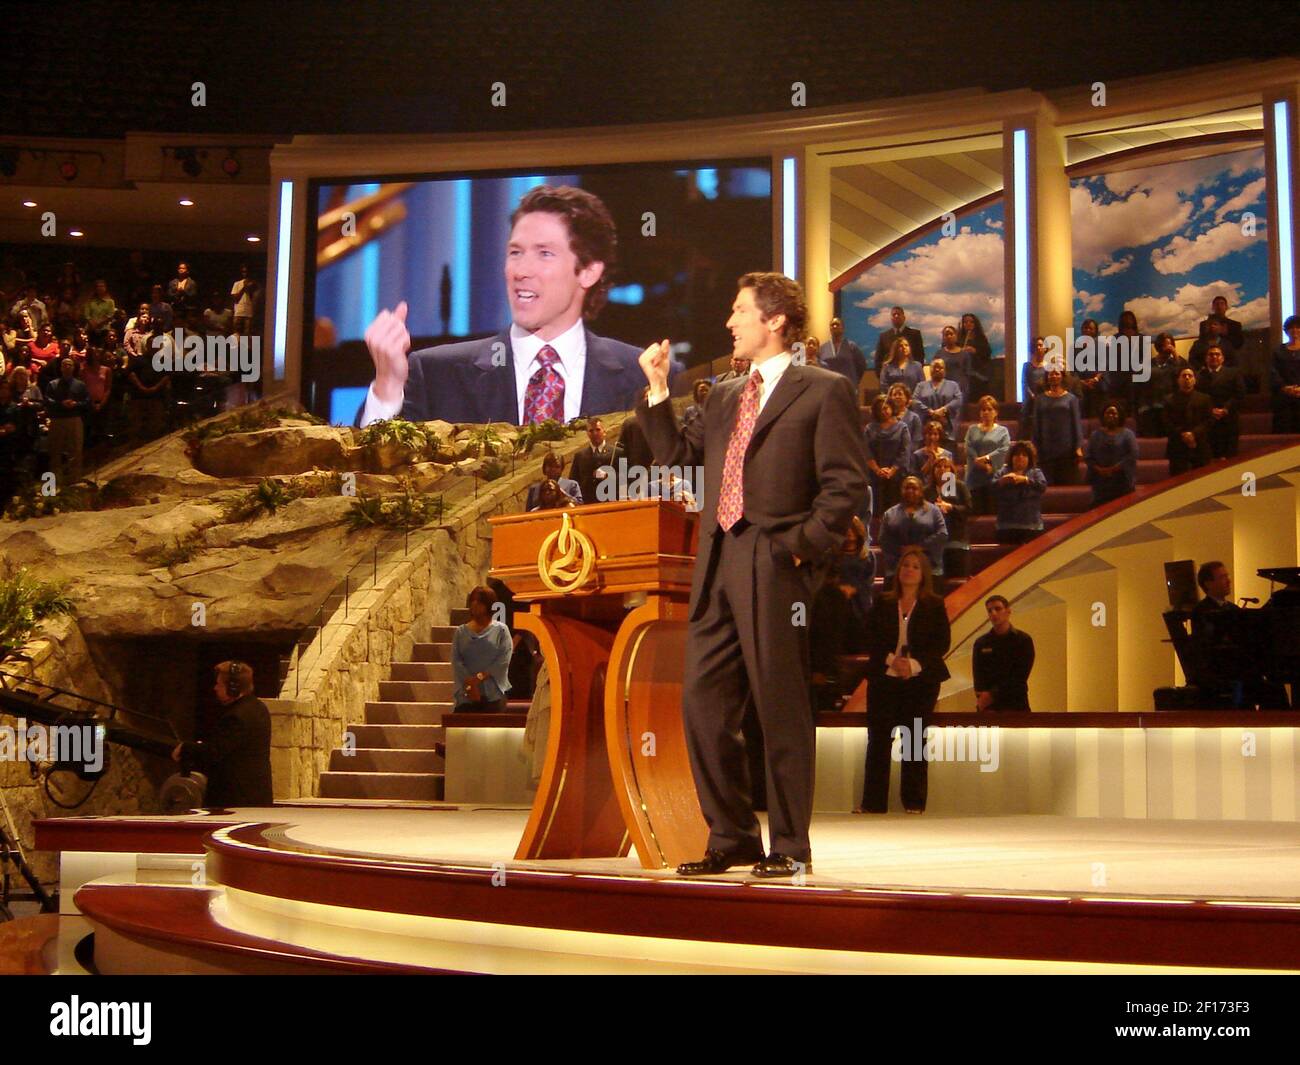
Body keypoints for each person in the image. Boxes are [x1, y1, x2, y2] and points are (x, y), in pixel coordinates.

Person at [635, 270, 868, 878]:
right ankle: (732, 835)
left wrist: (796, 548)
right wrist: (658, 390)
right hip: (716, 561)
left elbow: (846, 484)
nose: (729, 322)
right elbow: (678, 458)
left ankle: (790, 844)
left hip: (773, 562)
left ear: (775, 322)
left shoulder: (823, 390)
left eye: (740, 311)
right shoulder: (723, 395)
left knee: (780, 706)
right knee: (703, 705)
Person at [359, 185, 649, 427]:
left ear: (588, 271)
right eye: (515, 252)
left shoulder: (644, 377)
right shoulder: (436, 375)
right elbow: (370, 482)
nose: (521, 270)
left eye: (544, 253)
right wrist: (387, 388)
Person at [859, 546, 951, 814]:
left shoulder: (934, 604)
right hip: (884, 677)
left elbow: (941, 643)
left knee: (913, 740)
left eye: (914, 566)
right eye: (905, 565)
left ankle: (914, 802)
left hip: (921, 680)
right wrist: (892, 661)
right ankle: (873, 803)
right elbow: (871, 637)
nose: (908, 570)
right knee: (878, 739)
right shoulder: (884, 601)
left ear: (923, 574)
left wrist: (912, 664)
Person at [170, 662, 273, 807]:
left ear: (233, 688)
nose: (215, 688)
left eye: (219, 684)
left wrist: (185, 748)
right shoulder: (258, 707)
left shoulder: (236, 716)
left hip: (236, 801)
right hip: (255, 796)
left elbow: (215, 752)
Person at [451, 586, 514, 713]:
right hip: (467, 693)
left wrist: (478, 679)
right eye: (472, 601)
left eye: (479, 602)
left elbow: (503, 659)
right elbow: (456, 660)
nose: (474, 605)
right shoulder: (460, 632)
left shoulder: (501, 630)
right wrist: (470, 683)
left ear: (488, 604)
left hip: (493, 694)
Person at [972, 596, 1035, 711]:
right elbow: (978, 678)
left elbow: (1020, 677)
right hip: (989, 707)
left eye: (998, 608)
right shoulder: (981, 643)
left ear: (1008, 611)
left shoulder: (1023, 640)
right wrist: (982, 698)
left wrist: (992, 694)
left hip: (1016, 704)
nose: (994, 613)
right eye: (990, 610)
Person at [880, 475, 947, 577]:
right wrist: (903, 551)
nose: (910, 491)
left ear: (921, 492)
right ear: (901, 490)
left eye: (914, 488)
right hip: (897, 567)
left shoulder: (934, 511)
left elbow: (942, 534)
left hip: (929, 567)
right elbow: (883, 539)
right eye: (907, 488)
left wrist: (920, 547)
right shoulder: (890, 514)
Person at [1031, 366, 1084, 485]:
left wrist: (1078, 446)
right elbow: (1036, 424)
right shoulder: (1040, 399)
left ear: (1062, 376)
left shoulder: (1071, 399)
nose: (1053, 376)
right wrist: (1034, 445)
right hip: (1045, 449)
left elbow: (1076, 423)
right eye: (1050, 374)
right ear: (1047, 377)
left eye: (1057, 374)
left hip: (1066, 448)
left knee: (1066, 484)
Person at [925, 454, 971, 578]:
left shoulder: (959, 486)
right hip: (934, 542)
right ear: (933, 470)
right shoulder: (927, 491)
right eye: (938, 466)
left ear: (951, 470)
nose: (942, 469)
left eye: (946, 467)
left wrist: (951, 507)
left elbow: (969, 509)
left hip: (956, 540)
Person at [865, 393, 911, 515]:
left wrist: (892, 470)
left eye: (885, 408)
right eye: (879, 409)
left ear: (891, 407)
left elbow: (904, 451)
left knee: (895, 512)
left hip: (896, 475)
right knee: (876, 512)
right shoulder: (870, 428)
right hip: (875, 475)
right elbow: (865, 451)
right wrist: (877, 470)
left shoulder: (902, 427)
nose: (883, 412)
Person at [44, 357, 89, 485]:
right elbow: (48, 400)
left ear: (74, 367)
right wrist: (61, 403)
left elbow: (86, 401)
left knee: (75, 450)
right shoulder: (53, 384)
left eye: (70, 365)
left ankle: (74, 480)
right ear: (61, 368)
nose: (67, 367)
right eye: (65, 365)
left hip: (74, 419)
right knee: (55, 451)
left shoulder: (80, 385)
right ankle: (56, 482)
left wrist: (76, 404)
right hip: (57, 419)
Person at [963, 394, 1010, 514]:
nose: (986, 412)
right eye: (983, 409)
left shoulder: (1003, 431)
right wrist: (980, 463)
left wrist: (987, 458)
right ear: (979, 412)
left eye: (990, 409)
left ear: (996, 412)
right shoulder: (972, 429)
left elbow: (1003, 449)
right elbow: (968, 448)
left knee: (993, 513)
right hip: (974, 476)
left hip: (994, 476)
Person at [993, 440, 1047, 544]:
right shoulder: (1002, 472)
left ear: (1029, 458)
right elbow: (992, 489)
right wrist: (1002, 482)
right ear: (1011, 457)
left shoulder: (1036, 472)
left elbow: (1042, 487)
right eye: (1017, 454)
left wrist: (1026, 480)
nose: (1020, 457)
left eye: (1024, 455)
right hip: (1006, 525)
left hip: (1031, 526)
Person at [1085, 401, 1138, 505]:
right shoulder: (1095, 435)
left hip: (1122, 481)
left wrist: (1113, 469)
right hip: (1100, 482)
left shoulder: (1127, 434)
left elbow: (1132, 455)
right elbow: (1088, 457)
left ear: (1120, 416)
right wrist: (1099, 469)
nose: (1110, 416)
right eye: (1108, 413)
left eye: (1114, 413)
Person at [1197, 344, 1244, 459]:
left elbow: (1239, 394)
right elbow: (1197, 397)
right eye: (1211, 354)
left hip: (1229, 420)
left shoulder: (1233, 373)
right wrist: (1211, 410)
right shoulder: (1198, 376)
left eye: (1217, 354)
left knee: (1229, 459)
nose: (1214, 357)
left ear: (1222, 358)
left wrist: (1225, 409)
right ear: (1206, 358)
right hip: (1207, 421)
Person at [1136, 332, 1187, 437]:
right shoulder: (1147, 364)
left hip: (1170, 408)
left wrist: (1175, 355)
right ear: (1158, 346)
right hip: (1150, 408)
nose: (1168, 347)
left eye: (1170, 344)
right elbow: (1138, 387)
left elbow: (1183, 376)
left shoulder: (1177, 362)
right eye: (1165, 344)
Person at [1164, 366, 1213, 476]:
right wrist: (1184, 435)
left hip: (1199, 444)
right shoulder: (1169, 400)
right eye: (1184, 376)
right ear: (1178, 380)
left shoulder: (1205, 399)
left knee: (1201, 480)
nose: (1187, 378)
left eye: (1190, 376)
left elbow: (1209, 421)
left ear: (1195, 380)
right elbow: (1167, 422)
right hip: (1177, 445)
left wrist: (1193, 434)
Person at [569, 415, 623, 506]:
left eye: (598, 430)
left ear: (604, 432)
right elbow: (574, 481)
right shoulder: (580, 456)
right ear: (587, 433)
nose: (594, 433)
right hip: (589, 503)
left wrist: (608, 476)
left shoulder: (617, 452)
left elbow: (626, 477)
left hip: (612, 501)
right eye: (591, 431)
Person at [912, 355, 963, 436]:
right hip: (925, 425)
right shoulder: (921, 385)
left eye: (940, 367)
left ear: (945, 370)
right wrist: (929, 411)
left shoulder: (953, 385)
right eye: (934, 367)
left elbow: (958, 400)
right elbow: (915, 400)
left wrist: (943, 409)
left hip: (947, 425)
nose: (937, 369)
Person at [873, 306, 925, 371]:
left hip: (911, 377)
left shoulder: (915, 335)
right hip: (890, 377)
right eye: (894, 315)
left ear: (904, 317)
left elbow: (920, 357)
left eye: (898, 314)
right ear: (891, 318)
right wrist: (882, 377)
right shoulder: (884, 336)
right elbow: (878, 359)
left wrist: (915, 374)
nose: (896, 316)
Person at [820, 316, 866, 389]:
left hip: (848, 387)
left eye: (837, 324)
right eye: (832, 325)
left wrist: (854, 380)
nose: (834, 326)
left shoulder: (852, 347)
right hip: (829, 388)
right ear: (830, 328)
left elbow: (861, 366)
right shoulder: (823, 348)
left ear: (843, 328)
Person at [1074, 318, 1107, 417]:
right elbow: (1073, 370)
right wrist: (1081, 382)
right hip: (1081, 387)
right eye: (1085, 328)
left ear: (1095, 331)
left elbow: (1105, 366)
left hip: (1098, 385)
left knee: (1097, 416)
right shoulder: (1075, 348)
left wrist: (1096, 379)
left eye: (1090, 328)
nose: (1087, 330)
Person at [1273, 314, 1300, 434]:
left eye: (1298, 327)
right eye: (1291, 328)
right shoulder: (1278, 351)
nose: (1294, 330)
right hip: (1283, 398)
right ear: (1286, 331)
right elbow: (1273, 371)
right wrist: (1285, 387)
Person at [1020, 337, 1050, 440]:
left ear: (1045, 348)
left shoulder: (1049, 367)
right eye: (1036, 345)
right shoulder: (1027, 366)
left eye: (1041, 345)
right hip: (1030, 403)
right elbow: (1024, 384)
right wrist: (1032, 396)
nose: (1038, 347)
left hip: (1045, 401)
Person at [958, 312, 993, 399]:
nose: (968, 324)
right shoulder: (959, 339)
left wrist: (975, 351)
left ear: (975, 324)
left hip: (978, 374)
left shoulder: (981, 338)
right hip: (964, 375)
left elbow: (987, 353)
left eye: (971, 322)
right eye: (965, 322)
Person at [911, 418, 953, 483]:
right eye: (929, 434)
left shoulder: (948, 454)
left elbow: (949, 475)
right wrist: (930, 460)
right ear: (925, 435)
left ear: (940, 436)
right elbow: (916, 477)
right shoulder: (917, 455)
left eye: (935, 434)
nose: (932, 437)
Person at [936, 324, 970, 399]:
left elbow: (968, 373)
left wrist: (965, 390)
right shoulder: (939, 354)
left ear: (956, 336)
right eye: (946, 335)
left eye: (951, 334)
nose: (949, 336)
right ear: (943, 338)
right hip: (943, 390)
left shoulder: (964, 354)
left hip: (960, 389)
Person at [231, 264, 257, 336]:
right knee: (237, 333)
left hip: (249, 313)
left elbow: (255, 298)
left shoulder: (254, 285)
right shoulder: (237, 284)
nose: (245, 273)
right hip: (239, 312)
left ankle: (245, 346)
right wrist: (244, 287)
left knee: (247, 334)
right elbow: (235, 298)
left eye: (247, 272)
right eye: (244, 272)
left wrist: (250, 287)